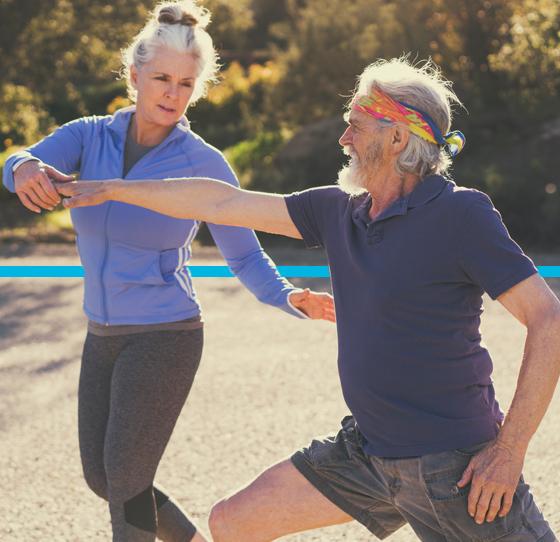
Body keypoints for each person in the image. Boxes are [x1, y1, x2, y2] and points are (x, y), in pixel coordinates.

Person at [55, 56, 560, 541]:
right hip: (366, 455)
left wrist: (509, 451)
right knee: (233, 523)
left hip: (453, 465)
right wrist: (115, 189)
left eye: (356, 125)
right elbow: (221, 201)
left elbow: (548, 319)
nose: (343, 138)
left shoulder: (461, 215)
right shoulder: (338, 211)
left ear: (398, 137)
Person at [1, 2, 335, 541]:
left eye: (185, 83)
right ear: (133, 76)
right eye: (160, 78)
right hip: (101, 333)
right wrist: (23, 170)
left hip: (166, 336)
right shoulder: (90, 136)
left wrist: (288, 296)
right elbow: (18, 158)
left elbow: (245, 254)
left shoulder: (204, 164)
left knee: (128, 481)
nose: (171, 93)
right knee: (103, 477)